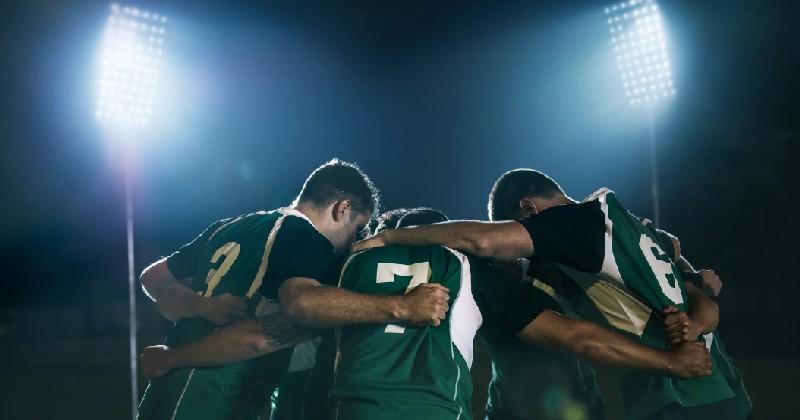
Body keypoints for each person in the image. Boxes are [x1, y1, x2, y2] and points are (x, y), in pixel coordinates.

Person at [354, 168, 734, 419]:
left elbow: (484, 240)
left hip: (626, 398)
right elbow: (670, 249)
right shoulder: (606, 226)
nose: (518, 243)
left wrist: (388, 237)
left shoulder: (570, 242)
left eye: (516, 230)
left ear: (529, 209)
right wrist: (692, 279)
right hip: (531, 409)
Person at [137, 159, 450, 420]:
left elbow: (152, 278)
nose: (353, 241)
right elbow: (265, 333)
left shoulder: (229, 225)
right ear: (342, 208)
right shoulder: (307, 238)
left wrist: (197, 306)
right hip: (214, 393)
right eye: (356, 228)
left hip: (164, 386)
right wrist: (401, 306)